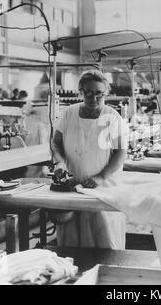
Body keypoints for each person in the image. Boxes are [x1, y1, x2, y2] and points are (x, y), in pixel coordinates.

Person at [51, 70, 128, 248]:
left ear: (106, 93)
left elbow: (121, 153)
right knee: (71, 243)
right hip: (74, 186)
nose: (94, 99)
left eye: (99, 94)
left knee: (104, 242)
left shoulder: (112, 116)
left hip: (103, 189)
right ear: (81, 92)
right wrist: (60, 162)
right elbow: (56, 143)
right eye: (89, 93)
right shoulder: (69, 113)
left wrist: (100, 177)